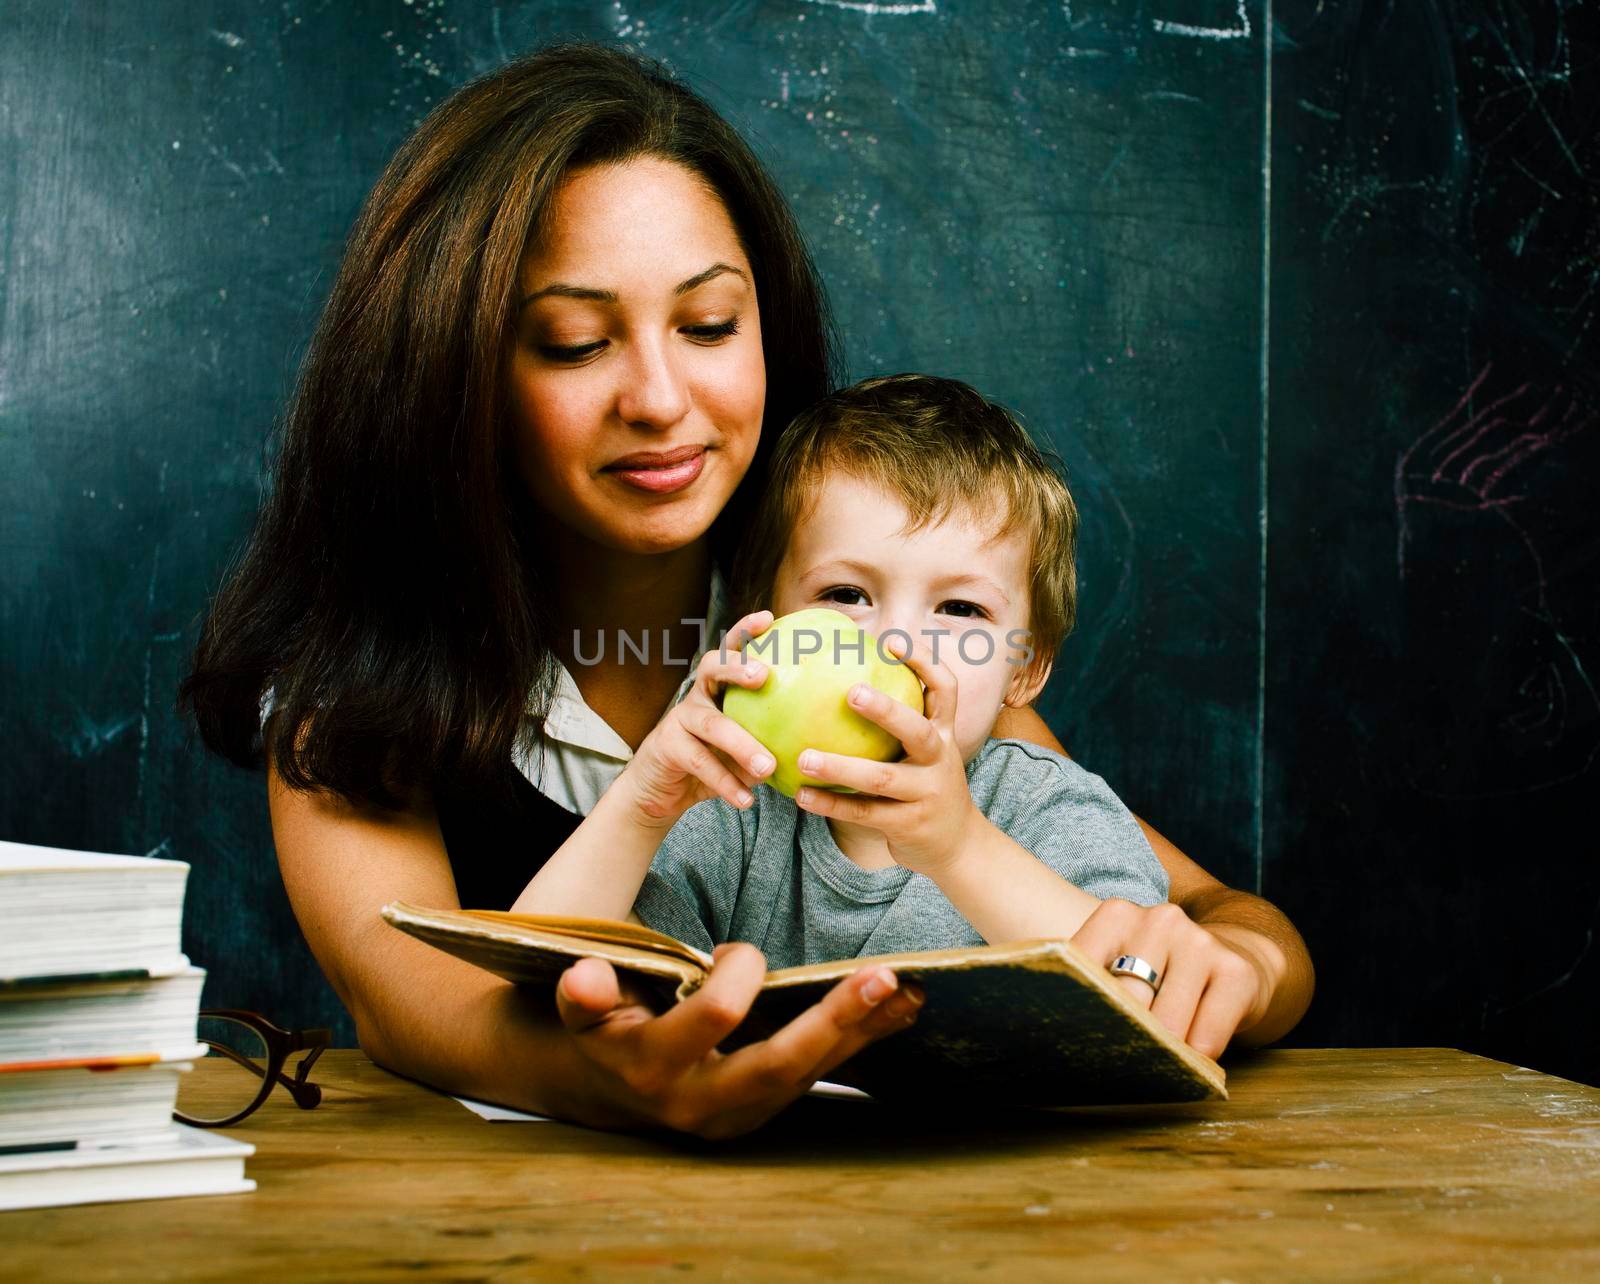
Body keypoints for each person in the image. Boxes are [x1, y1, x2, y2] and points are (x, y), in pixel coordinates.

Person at [182, 43, 1312, 1138]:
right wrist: (630, 1086)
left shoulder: (869, 618)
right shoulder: (357, 683)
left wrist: (1238, 970)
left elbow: (1216, 916)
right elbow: (417, 1006)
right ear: (453, 373)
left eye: (710, 325)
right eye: (576, 344)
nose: (661, 398)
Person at [514, 373, 1174, 975]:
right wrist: (640, 807)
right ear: (765, 623)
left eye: (960, 608)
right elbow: (543, 967)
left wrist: (956, 847)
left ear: (1024, 670)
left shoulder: (1049, 810)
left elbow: (1145, 994)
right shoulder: (735, 810)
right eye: (845, 595)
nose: (894, 641)